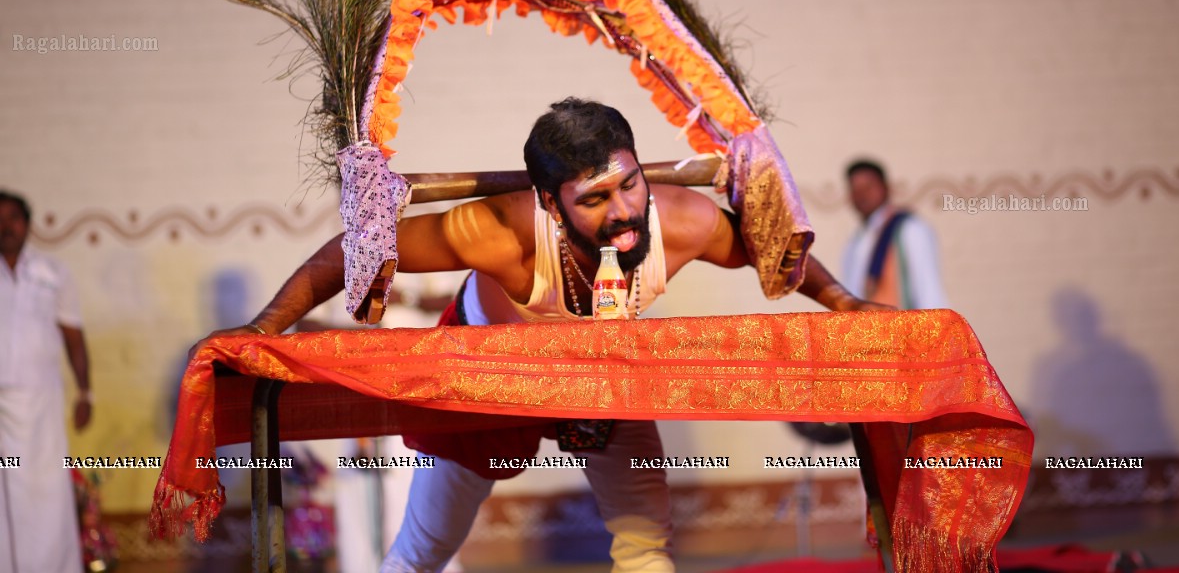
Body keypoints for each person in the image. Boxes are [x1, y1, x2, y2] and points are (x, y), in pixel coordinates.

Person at [196, 99, 889, 573]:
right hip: (484, 375)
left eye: (628, 186)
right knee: (426, 549)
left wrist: (844, 301)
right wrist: (265, 329)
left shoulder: (682, 221)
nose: (622, 212)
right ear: (550, 205)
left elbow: (776, 251)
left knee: (646, 540)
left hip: (600, 375)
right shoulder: (497, 231)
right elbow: (349, 254)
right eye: (592, 200)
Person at [0, 190, 92, 573]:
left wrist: (86, 392)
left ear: (28, 224)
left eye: (14, 218)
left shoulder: (53, 273)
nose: (6, 227)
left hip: (42, 404)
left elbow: (74, 337)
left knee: (47, 488)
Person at [841, 159, 949, 310]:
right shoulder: (856, 240)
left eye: (868, 187)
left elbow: (928, 289)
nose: (862, 194)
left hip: (903, 330)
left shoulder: (910, 229)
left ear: (886, 188)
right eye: (855, 189)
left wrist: (935, 330)